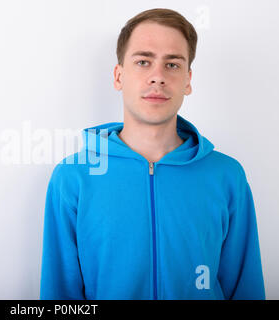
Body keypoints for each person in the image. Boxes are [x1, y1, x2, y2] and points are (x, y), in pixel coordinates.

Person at [39, 8, 265, 300]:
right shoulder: (73, 177)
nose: (157, 77)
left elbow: (246, 288)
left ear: (187, 79)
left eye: (172, 65)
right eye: (143, 62)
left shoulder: (227, 176)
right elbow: (60, 294)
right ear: (119, 76)